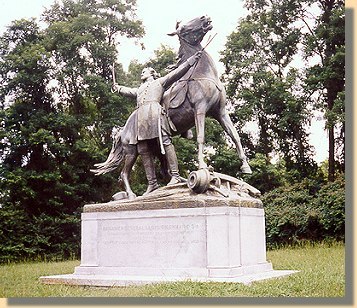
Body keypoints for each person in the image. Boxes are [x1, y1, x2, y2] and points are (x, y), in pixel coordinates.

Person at [113, 51, 202, 195]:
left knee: (166, 142)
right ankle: (152, 183)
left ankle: (175, 175)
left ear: (152, 74)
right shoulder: (140, 89)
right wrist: (119, 89)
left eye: (145, 71)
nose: (142, 72)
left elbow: (177, 73)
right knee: (143, 150)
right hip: (140, 119)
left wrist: (191, 60)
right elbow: (129, 91)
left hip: (155, 114)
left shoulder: (160, 82)